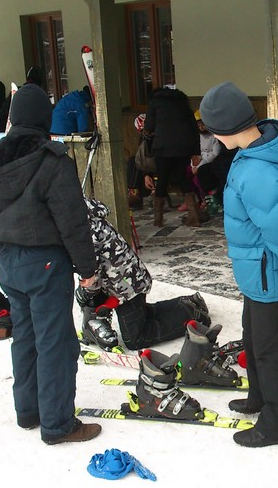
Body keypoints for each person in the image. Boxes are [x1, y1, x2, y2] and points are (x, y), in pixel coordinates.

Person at [0, 83, 101, 445]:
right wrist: (88, 269)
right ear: (44, 119)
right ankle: (58, 424)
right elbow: (73, 222)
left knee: (25, 338)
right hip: (45, 264)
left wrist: (5, 254)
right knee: (56, 343)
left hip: (11, 264)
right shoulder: (52, 160)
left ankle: (28, 411)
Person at [199, 80, 278, 448]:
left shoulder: (258, 172)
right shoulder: (253, 152)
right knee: (253, 338)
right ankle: (259, 397)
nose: (212, 136)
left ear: (225, 128)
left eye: (212, 129)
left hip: (270, 274)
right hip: (257, 271)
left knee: (271, 350)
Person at [76, 196, 213, 351]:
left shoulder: (83, 232)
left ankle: (191, 315)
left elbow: (91, 273)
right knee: (143, 314)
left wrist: (85, 293)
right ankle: (188, 302)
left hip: (126, 287)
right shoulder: (88, 219)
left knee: (135, 338)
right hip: (130, 279)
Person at [143, 86, 201, 227]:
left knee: (162, 179)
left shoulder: (155, 102)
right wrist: (196, 151)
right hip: (183, 146)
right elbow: (194, 127)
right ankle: (193, 217)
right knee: (183, 178)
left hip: (162, 147)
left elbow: (149, 126)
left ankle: (158, 219)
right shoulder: (182, 102)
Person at [193, 109, 235, 215]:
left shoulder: (216, 134)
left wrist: (201, 161)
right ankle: (208, 198)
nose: (201, 127)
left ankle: (220, 198)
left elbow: (216, 153)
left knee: (218, 167)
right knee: (201, 171)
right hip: (214, 160)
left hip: (226, 158)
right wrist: (195, 164)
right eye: (199, 125)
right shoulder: (198, 136)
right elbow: (196, 154)